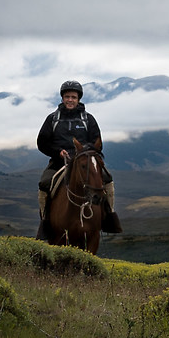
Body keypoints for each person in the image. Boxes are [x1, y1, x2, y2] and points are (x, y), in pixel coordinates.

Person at [36, 81, 122, 237]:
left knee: (107, 180)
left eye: (73, 97)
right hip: (59, 162)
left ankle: (109, 216)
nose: (70, 100)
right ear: (62, 98)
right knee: (44, 184)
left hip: (85, 162)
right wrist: (57, 152)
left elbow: (97, 142)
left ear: (78, 99)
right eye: (67, 97)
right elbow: (42, 142)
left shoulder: (88, 119)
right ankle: (45, 221)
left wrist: (84, 152)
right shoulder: (53, 119)